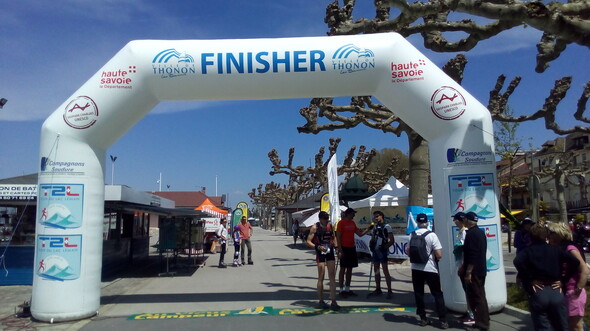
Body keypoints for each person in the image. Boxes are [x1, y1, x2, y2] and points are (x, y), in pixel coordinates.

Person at [514, 222, 580, 331]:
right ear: (546, 236)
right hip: (556, 290)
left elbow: (517, 261)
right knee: (562, 325)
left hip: (539, 291)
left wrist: (531, 279)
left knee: (542, 326)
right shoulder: (555, 250)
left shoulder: (528, 251)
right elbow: (575, 262)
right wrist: (563, 280)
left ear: (530, 236)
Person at [407, 213, 448, 329]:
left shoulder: (412, 234)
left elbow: (409, 252)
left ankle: (423, 318)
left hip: (416, 268)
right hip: (430, 268)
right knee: (437, 294)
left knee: (419, 294)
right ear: (427, 222)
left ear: (417, 222)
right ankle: (443, 320)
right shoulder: (432, 235)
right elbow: (439, 255)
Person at [548, 222, 588, 331]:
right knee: (571, 324)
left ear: (559, 233)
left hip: (573, 291)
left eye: (551, 232)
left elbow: (584, 269)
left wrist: (578, 288)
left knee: (576, 326)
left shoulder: (570, 248)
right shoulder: (562, 248)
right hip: (567, 290)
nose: (549, 235)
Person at [458, 212, 490, 331]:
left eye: (465, 219)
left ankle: (482, 324)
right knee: (481, 295)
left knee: (477, 297)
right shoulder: (480, 232)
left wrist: (468, 272)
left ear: (467, 220)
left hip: (474, 271)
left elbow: (472, 254)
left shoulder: (471, 234)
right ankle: (483, 319)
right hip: (481, 269)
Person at [306, 211, 340, 310]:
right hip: (320, 253)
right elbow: (308, 241)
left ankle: (333, 300)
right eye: (325, 219)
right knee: (321, 276)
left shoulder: (330, 226)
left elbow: (334, 238)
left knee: (332, 275)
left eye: (327, 219)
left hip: (329, 251)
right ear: (320, 219)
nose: (326, 221)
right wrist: (317, 247)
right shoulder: (315, 227)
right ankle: (321, 300)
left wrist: (337, 248)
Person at [336, 207, 371, 297]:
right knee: (343, 268)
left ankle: (347, 289)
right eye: (352, 213)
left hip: (352, 247)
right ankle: (341, 290)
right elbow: (338, 236)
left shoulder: (352, 223)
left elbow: (360, 234)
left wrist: (368, 229)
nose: (354, 215)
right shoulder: (341, 223)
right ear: (348, 214)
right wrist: (339, 249)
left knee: (350, 269)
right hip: (344, 247)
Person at [452, 212, 475, 326]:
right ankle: (469, 311)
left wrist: (463, 267)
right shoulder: (461, 232)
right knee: (466, 291)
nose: (454, 222)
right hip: (461, 265)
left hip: (464, 266)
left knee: (469, 291)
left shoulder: (465, 232)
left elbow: (466, 251)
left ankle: (472, 314)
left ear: (459, 220)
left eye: (454, 220)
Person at [367, 210, 394, 299]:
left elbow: (392, 240)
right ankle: (378, 288)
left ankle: (389, 290)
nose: (376, 218)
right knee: (376, 270)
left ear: (382, 216)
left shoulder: (387, 226)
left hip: (382, 251)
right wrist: (371, 244)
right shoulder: (375, 226)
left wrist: (385, 247)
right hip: (375, 250)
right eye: (375, 216)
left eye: (377, 216)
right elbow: (373, 237)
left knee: (385, 270)